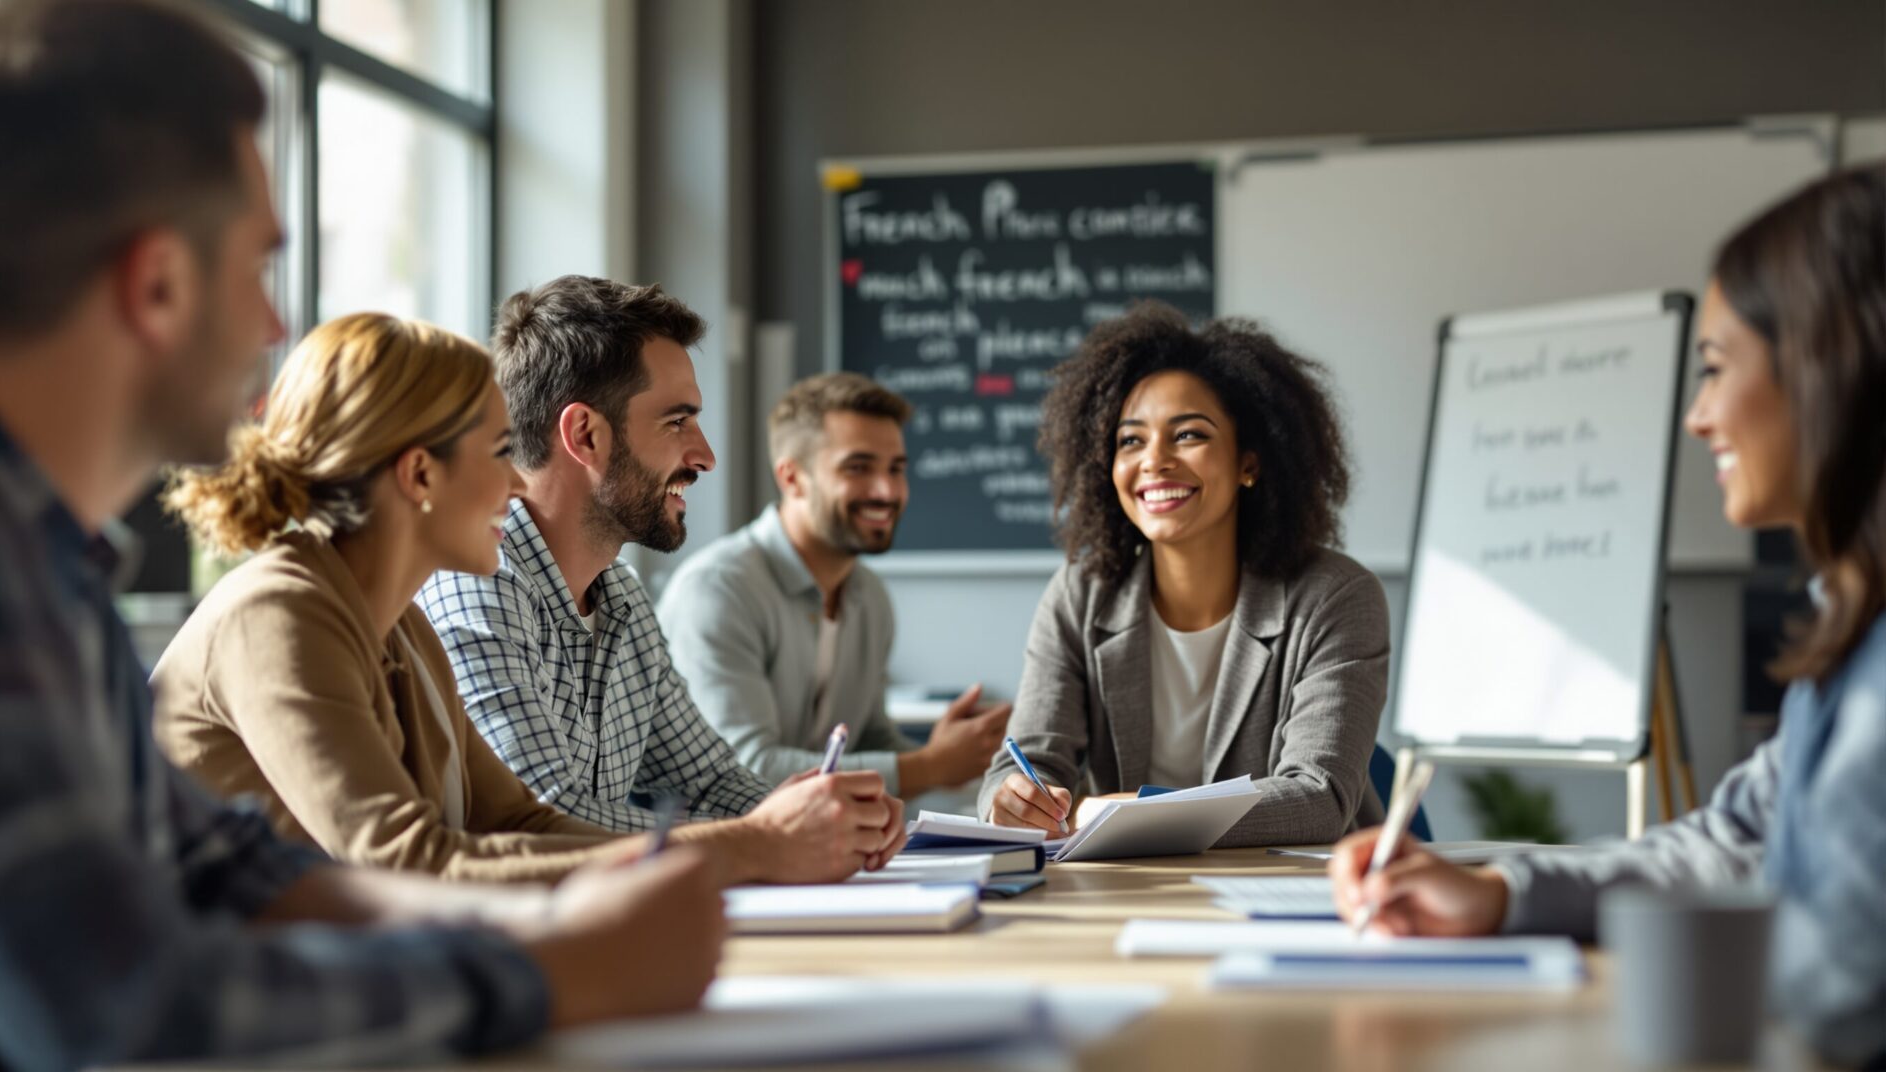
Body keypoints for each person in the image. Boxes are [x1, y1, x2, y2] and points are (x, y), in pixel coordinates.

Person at [0, 2, 719, 1068]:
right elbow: (130, 1014)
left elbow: (226, 867)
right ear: (160, 283)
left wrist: (585, 908)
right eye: (260, 265)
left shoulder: (50, 564)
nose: (277, 326)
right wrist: (558, 968)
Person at [1327, 165, 1886, 1068]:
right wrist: (1501, 893)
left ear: (1829, 367)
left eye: (1715, 370)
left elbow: (1846, 991)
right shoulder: (1849, 624)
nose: (1699, 417)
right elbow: (1731, 842)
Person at [418, 276, 906, 882]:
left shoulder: (620, 594)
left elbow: (708, 783)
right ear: (585, 436)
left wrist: (830, 821)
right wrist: (765, 837)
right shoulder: (478, 582)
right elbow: (540, 817)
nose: (704, 456)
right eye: (678, 422)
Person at [152, 312, 664, 883]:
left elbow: (515, 822)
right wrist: (731, 852)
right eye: (500, 452)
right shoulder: (275, 614)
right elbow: (403, 861)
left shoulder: (405, 630)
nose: (518, 484)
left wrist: (728, 851)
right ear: (420, 474)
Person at [978, 302, 1391, 846]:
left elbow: (1318, 797)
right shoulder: (1080, 595)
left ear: (1250, 461)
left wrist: (1144, 811)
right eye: (1130, 440)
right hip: (1133, 891)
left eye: (1188, 435)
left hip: (1294, 892)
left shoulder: (1335, 597)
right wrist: (1012, 798)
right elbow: (1026, 762)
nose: (1154, 461)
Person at [656, 372, 1011, 795]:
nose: (886, 490)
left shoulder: (869, 598)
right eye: (857, 468)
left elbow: (869, 740)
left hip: (817, 853)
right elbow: (742, 770)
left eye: (896, 469)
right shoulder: (718, 590)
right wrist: (930, 766)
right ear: (791, 478)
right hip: (709, 854)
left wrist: (962, 761)